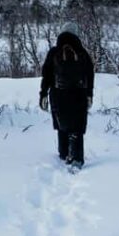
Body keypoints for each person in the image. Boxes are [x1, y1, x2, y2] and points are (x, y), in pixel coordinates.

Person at [39, 22, 95, 169]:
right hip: (79, 94)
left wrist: (43, 94)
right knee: (77, 126)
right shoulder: (82, 53)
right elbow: (90, 74)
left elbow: (46, 75)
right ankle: (76, 157)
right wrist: (89, 94)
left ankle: (64, 153)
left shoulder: (54, 52)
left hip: (58, 94)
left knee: (61, 123)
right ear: (76, 34)